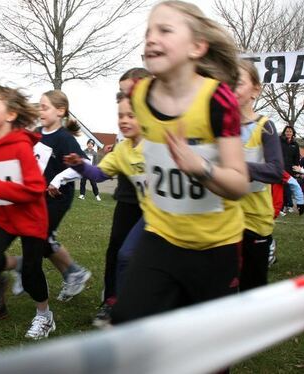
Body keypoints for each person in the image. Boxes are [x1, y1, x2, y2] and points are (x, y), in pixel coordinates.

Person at [110, 0, 249, 324]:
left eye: (165, 30)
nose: (151, 38)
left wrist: (200, 167)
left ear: (197, 47)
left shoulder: (217, 99)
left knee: (209, 351)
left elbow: (239, 184)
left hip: (216, 245)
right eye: (148, 32)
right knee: (127, 320)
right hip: (162, 235)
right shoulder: (141, 96)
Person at [0, 84, 55, 339]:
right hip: (3, 217)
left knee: (32, 275)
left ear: (10, 115)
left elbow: (34, 188)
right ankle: (17, 266)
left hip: (31, 218)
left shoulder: (20, 146)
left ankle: (44, 316)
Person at [64, 91, 145, 327]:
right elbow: (99, 175)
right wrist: (80, 166)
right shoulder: (122, 150)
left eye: (131, 115)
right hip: (152, 215)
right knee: (125, 255)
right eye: (120, 116)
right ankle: (118, 306)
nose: (124, 120)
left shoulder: (160, 144)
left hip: (174, 216)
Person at [11, 89, 92, 303]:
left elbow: (85, 165)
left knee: (38, 237)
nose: (40, 110)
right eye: (39, 106)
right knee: (42, 240)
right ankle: (73, 273)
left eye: (44, 107)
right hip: (36, 197)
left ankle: (25, 269)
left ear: (60, 111)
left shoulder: (64, 138)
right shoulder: (36, 132)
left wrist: (59, 180)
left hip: (57, 199)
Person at [235, 59, 283, 291]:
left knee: (252, 287)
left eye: (238, 82)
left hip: (254, 219)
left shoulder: (266, 126)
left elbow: (275, 171)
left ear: (255, 89)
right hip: (221, 218)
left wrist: (237, 167)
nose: (230, 86)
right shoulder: (214, 125)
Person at [280, 125, 301, 212]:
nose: (288, 133)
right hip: (280, 167)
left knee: (287, 187)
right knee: (281, 187)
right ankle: (282, 205)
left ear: (293, 133)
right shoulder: (279, 141)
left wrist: (297, 170)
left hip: (290, 169)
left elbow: (296, 158)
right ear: (284, 132)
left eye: (290, 131)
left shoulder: (295, 145)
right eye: (287, 131)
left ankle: (288, 204)